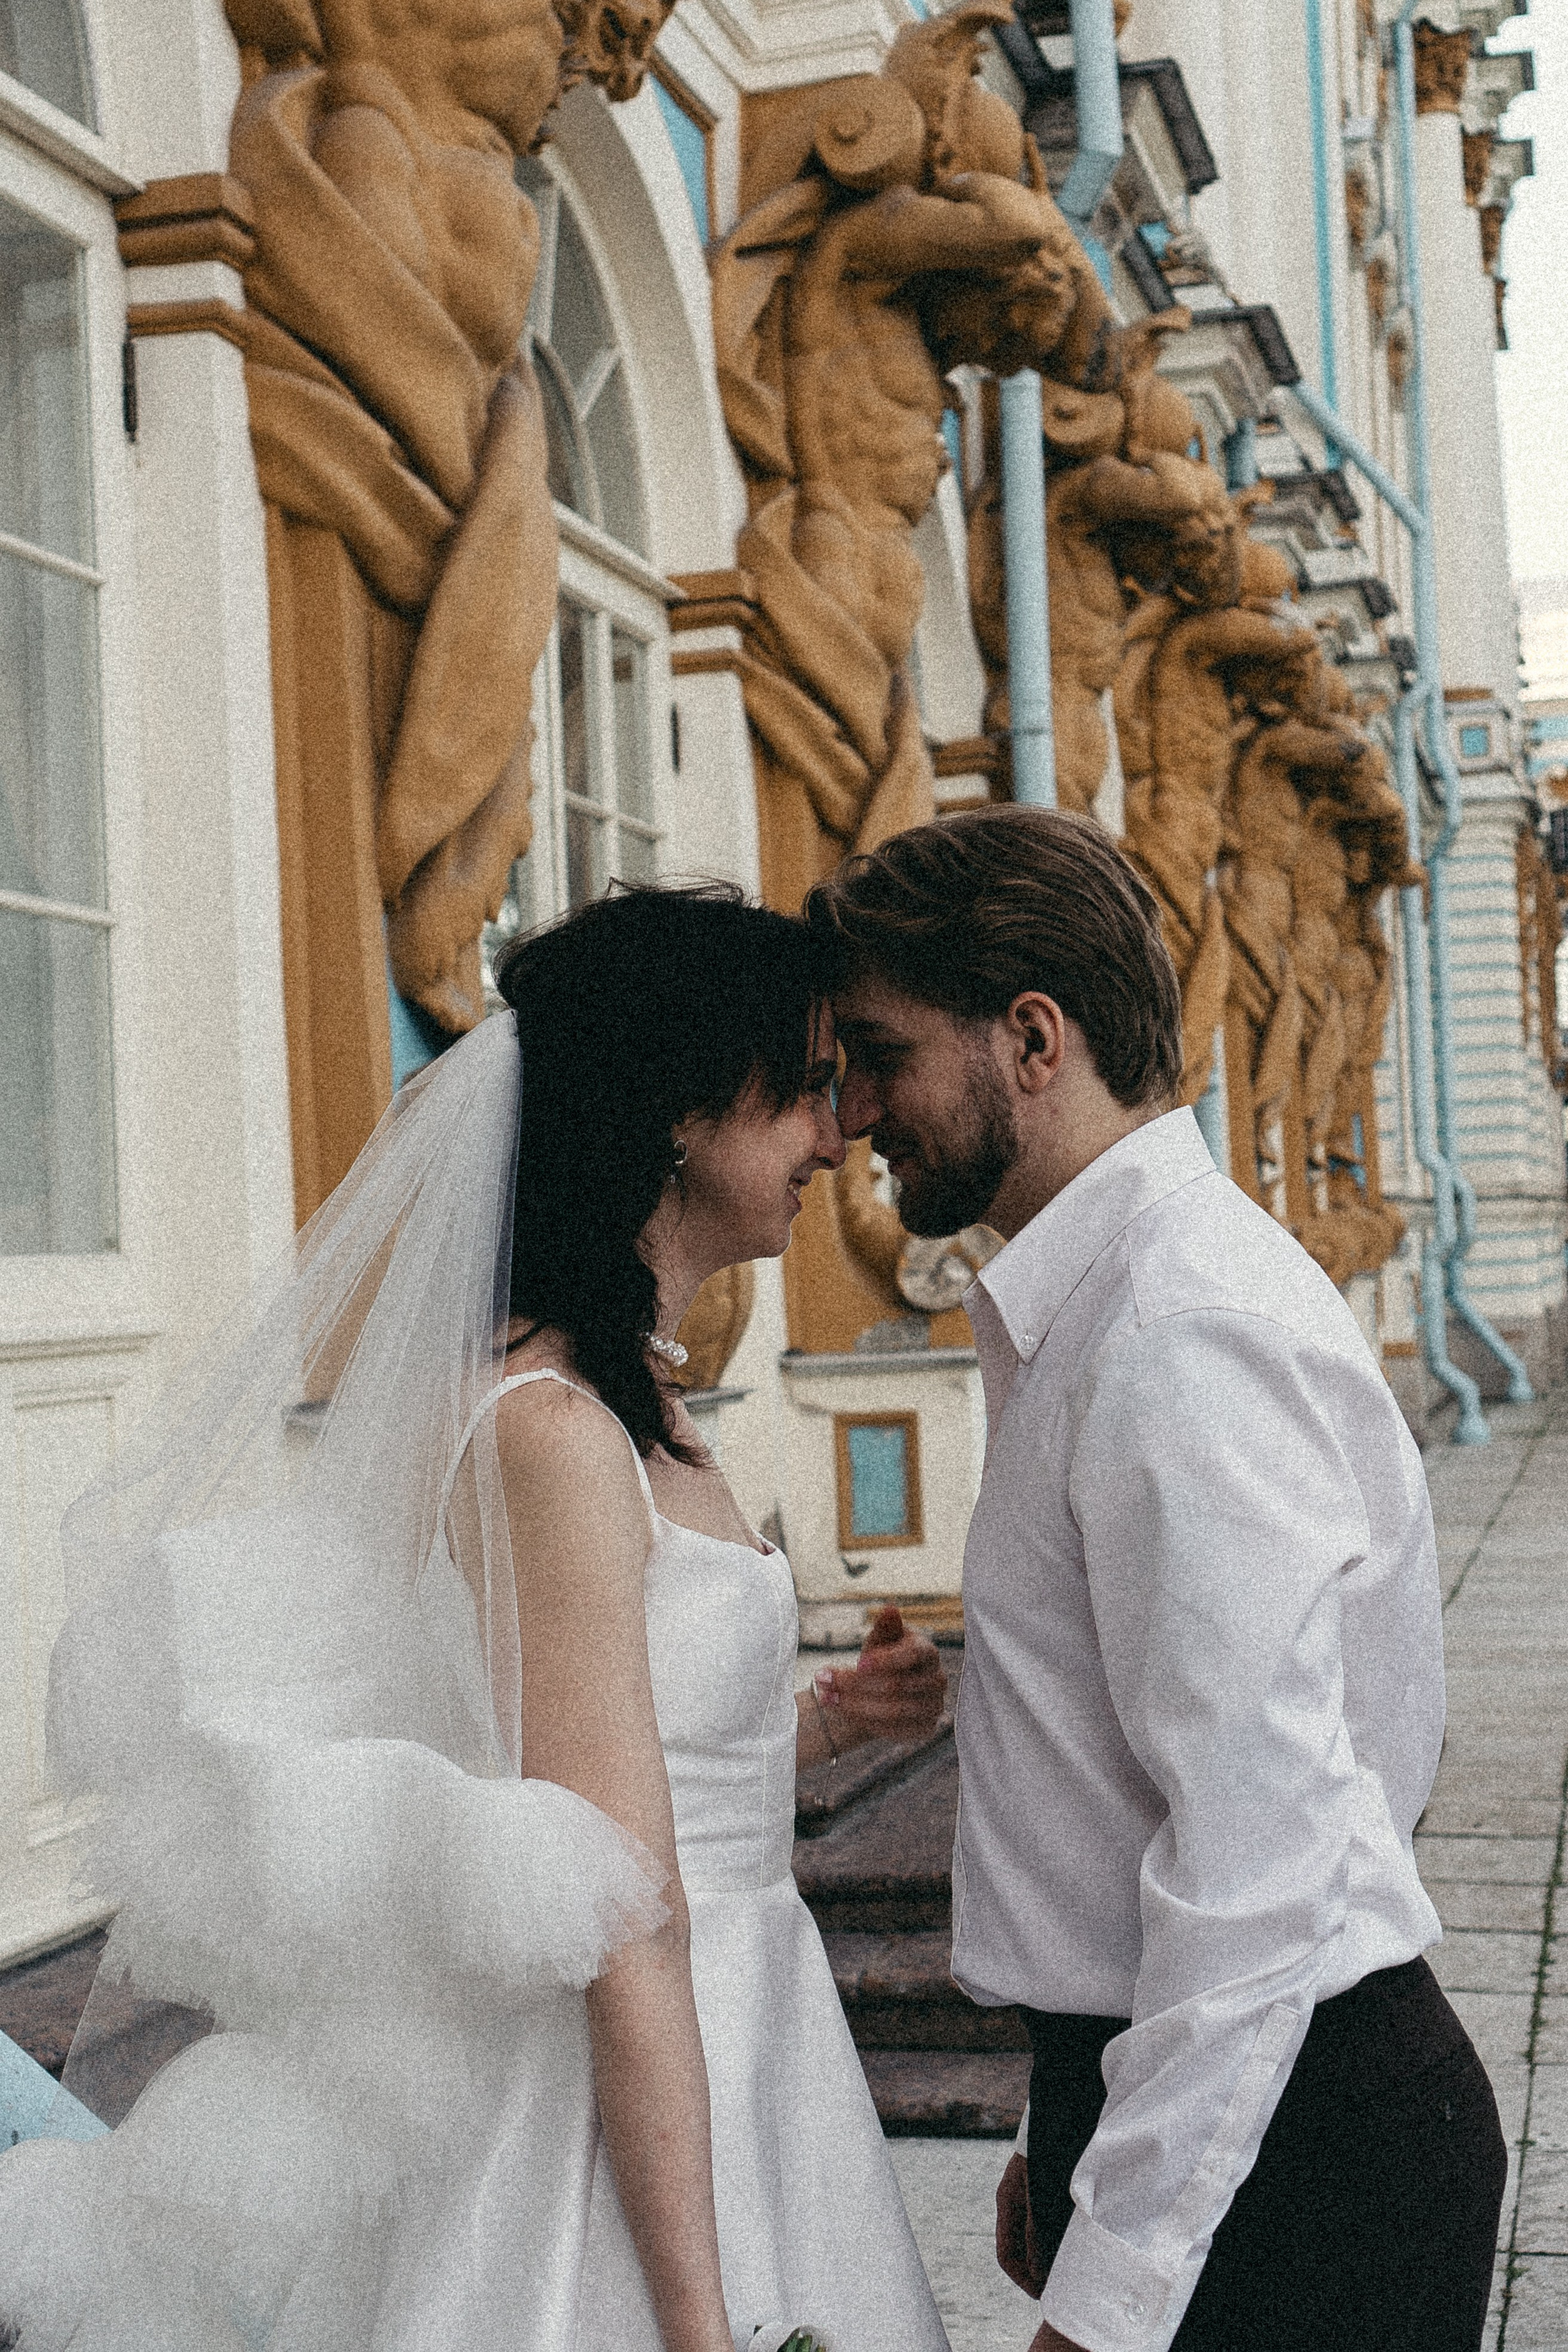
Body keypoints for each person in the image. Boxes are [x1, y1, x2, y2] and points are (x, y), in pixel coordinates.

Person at [0, 884, 950, 2352]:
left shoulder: (635, 1394)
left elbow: (632, 1747)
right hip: (619, 2078)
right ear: (683, 1112)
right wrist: (700, 2327)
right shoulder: (550, 1430)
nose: (835, 1135)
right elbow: (626, 1907)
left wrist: (825, 1720)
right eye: (806, 1089)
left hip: (752, 2025)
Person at [808, 807, 1505, 2352]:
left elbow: (1261, 1857)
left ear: (1031, 1038)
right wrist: (1069, 2136)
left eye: (877, 1053)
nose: (853, 1113)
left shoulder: (1175, 1330)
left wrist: (1117, 2279)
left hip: (1305, 2165)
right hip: (1207, 2103)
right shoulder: (1108, 1302)